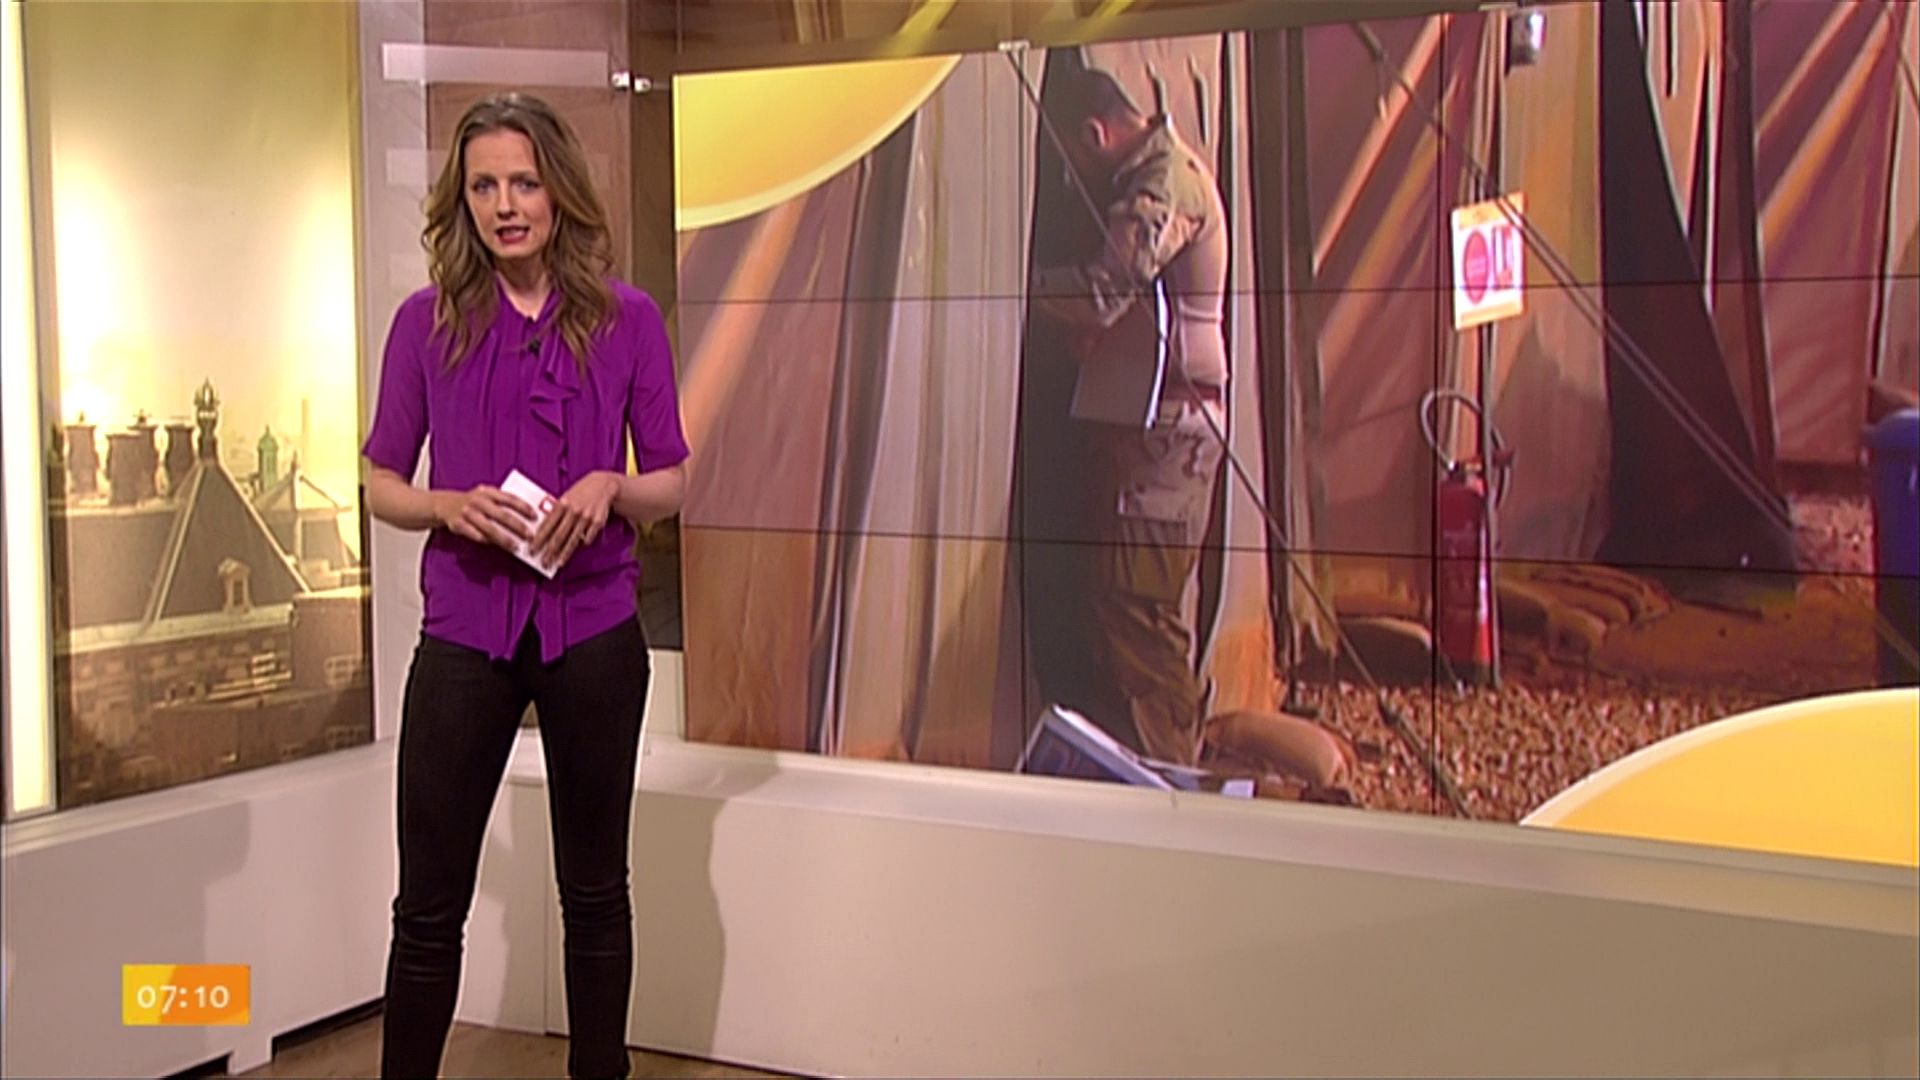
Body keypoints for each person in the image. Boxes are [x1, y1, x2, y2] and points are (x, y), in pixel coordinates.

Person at [362, 91, 689, 1080]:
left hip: (593, 629)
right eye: (484, 187)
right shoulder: (424, 325)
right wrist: (446, 506)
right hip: (466, 632)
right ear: (461, 201)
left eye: (524, 183)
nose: (505, 206)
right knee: (428, 909)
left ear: (559, 192)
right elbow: (380, 481)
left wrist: (611, 487)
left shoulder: (629, 322)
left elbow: (672, 481)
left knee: (595, 894)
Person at [1032, 61, 1230, 769]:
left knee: (1140, 614)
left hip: (1166, 442)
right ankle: (1152, 769)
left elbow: (1102, 295)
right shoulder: (1158, 176)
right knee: (1121, 610)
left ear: (1096, 134)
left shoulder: (1162, 186)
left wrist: (1011, 286)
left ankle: (1174, 776)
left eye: (1073, 158)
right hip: (1146, 434)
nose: (1075, 177)